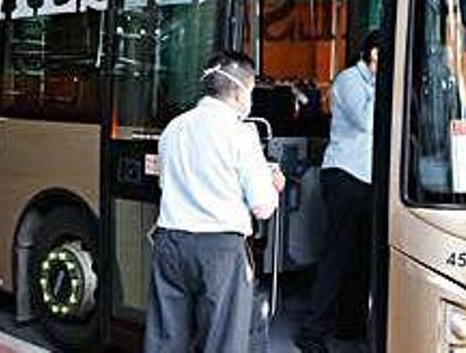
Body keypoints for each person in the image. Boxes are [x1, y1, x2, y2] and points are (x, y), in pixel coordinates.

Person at [143, 51, 285, 353]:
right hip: (219, 250)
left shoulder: (174, 128)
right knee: (223, 341)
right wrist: (274, 186)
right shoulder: (241, 133)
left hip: (170, 242)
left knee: (167, 339)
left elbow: (165, 183)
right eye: (251, 91)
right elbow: (262, 206)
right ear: (238, 91)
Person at [296, 31, 379, 352]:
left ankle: (348, 326)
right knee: (336, 255)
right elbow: (367, 122)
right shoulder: (349, 80)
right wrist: (379, 82)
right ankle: (311, 333)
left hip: (368, 178)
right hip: (345, 175)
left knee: (361, 258)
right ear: (373, 53)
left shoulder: (369, 82)